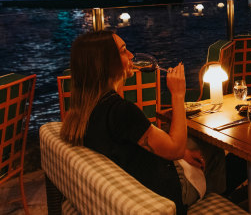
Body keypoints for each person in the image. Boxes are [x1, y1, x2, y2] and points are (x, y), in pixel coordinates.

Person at [60, 31, 226, 214]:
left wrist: (179, 153)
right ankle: (220, 204)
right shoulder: (120, 111)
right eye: (124, 51)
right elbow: (176, 149)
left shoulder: (82, 113)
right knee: (213, 148)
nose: (131, 55)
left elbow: (137, 145)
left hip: (133, 183)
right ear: (106, 63)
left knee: (192, 148)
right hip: (166, 192)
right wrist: (178, 94)